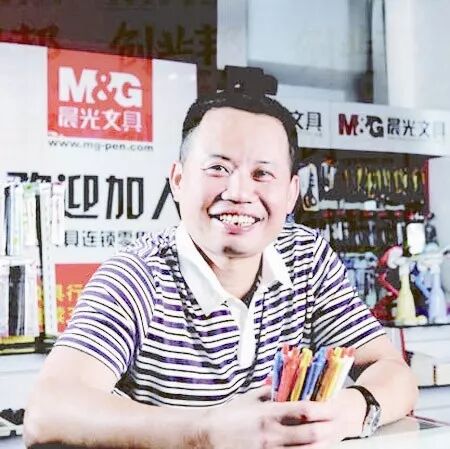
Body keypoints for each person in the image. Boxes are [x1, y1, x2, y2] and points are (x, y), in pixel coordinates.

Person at [24, 69, 418, 449]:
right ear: (178, 180)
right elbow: (47, 413)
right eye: (217, 168)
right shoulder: (138, 274)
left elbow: (393, 372)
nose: (239, 193)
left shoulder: (306, 258)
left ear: (291, 193)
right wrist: (209, 433)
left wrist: (345, 413)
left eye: (262, 174)